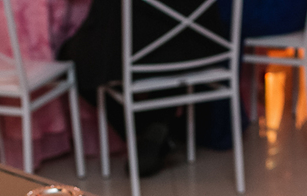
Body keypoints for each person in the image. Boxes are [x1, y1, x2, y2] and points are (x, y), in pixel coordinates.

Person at [59, 0, 231, 177]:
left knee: (73, 61)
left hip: (142, 54)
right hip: (199, 49)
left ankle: (144, 130)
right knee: (168, 50)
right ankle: (154, 128)